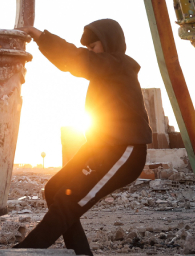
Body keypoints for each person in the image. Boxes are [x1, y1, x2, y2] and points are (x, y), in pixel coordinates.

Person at [14, 19, 151, 256]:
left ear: (108, 45)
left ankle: (24, 251)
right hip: (101, 148)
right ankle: (80, 253)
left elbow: (76, 60)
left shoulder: (118, 65)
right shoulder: (106, 70)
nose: (90, 52)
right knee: (55, 188)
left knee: (69, 203)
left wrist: (40, 36)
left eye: (94, 47)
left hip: (124, 151)